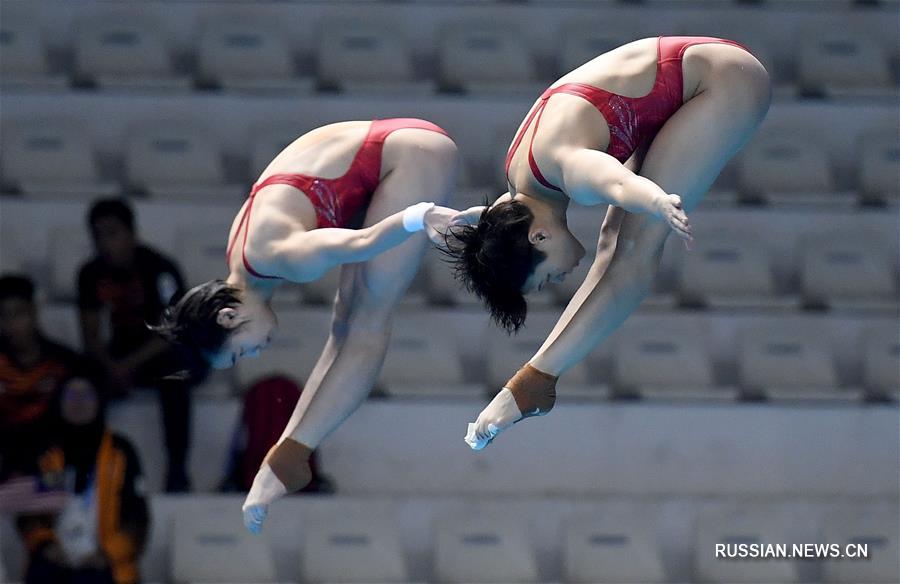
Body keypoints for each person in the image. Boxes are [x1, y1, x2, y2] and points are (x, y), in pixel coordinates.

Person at [443, 37, 771, 449]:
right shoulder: (519, 181)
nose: (560, 277)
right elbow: (494, 219)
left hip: (726, 82)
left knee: (634, 246)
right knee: (612, 240)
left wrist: (658, 202)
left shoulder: (570, 172)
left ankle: (533, 384)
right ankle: (535, 379)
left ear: (538, 236)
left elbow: (615, 182)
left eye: (545, 279)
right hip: (697, 73)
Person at [151, 118, 460, 532]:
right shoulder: (239, 256)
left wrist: (417, 218)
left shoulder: (281, 258)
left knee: (366, 321)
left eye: (242, 350)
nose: (257, 353)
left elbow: (362, 242)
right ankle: (284, 456)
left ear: (228, 316)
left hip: (411, 155)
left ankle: (287, 458)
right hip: (381, 150)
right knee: (346, 320)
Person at [78, 198, 196, 492]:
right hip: (119, 353)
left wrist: (125, 367)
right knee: (81, 377)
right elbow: (90, 334)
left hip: (158, 352)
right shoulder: (90, 274)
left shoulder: (160, 269)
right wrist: (110, 367)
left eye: (112, 233)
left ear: (132, 233)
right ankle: (88, 467)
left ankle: (177, 469)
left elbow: (173, 332)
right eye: (98, 236)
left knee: (177, 371)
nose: (105, 244)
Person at [17, 376, 149, 584]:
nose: (78, 402)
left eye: (86, 395)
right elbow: (27, 515)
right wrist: (45, 545)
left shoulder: (121, 451)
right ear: (59, 402)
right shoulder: (44, 452)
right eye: (71, 395)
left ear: (99, 401)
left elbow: (138, 519)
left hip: (107, 565)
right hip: (54, 560)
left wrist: (107, 554)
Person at [0, 274, 83, 480]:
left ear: (34, 312)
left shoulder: (64, 362)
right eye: (3, 316)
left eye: (18, 314)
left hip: (52, 454)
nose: (11, 324)